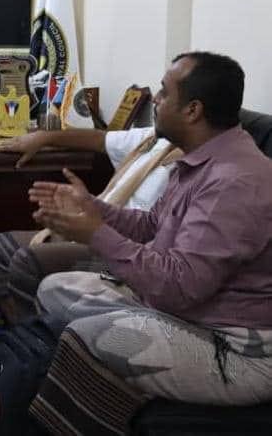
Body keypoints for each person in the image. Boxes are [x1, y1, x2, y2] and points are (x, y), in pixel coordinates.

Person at [28, 53, 272, 433]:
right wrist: (92, 207)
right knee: (55, 290)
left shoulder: (234, 182)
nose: (155, 100)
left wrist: (95, 233)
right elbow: (151, 226)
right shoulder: (200, 159)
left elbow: (179, 287)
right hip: (181, 312)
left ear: (192, 110)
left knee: (93, 336)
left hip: (234, 346)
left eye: (163, 92)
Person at [0, 125, 181, 324]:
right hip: (97, 226)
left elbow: (153, 236)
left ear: (191, 111)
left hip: (125, 252)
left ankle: (35, 337)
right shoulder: (156, 139)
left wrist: (95, 230)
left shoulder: (189, 170)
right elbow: (100, 139)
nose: (157, 105)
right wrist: (44, 137)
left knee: (28, 261)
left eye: (164, 101)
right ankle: (13, 330)